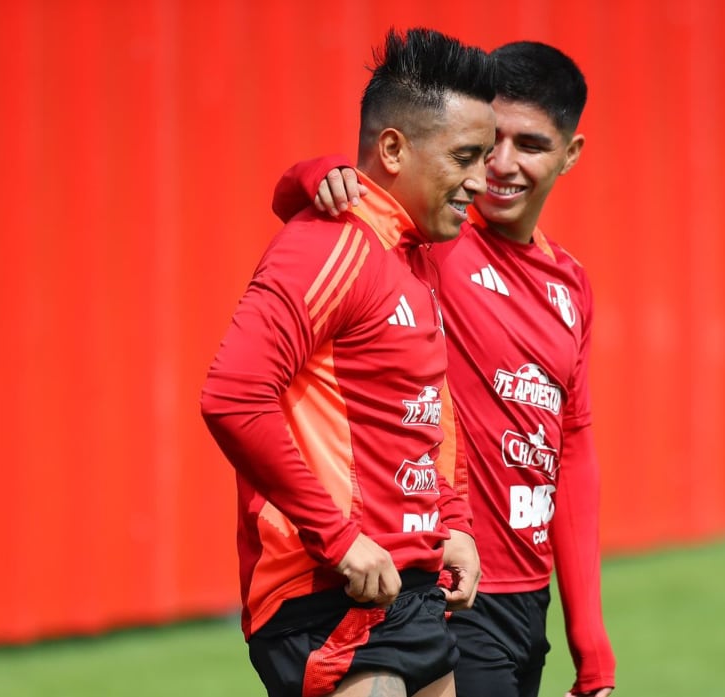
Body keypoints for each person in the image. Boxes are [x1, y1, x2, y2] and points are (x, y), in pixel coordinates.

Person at [275, 42, 615, 697]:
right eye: (491, 144)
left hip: (526, 603)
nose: (503, 166)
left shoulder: (571, 286)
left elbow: (572, 454)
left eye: (532, 144)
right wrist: (314, 174)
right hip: (450, 588)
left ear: (570, 154)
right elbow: (325, 210)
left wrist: (592, 647)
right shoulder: (437, 241)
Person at [200, 27, 496, 697]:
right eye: (465, 156)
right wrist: (337, 537)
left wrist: (454, 525)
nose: (480, 179)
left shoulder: (415, 258)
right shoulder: (327, 242)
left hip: (410, 585)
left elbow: (429, 414)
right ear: (393, 148)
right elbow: (232, 395)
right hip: (327, 589)